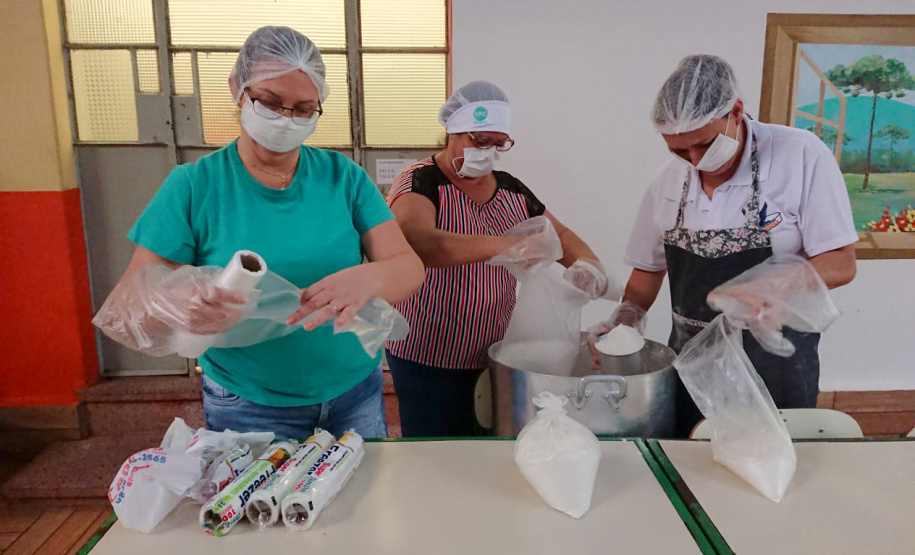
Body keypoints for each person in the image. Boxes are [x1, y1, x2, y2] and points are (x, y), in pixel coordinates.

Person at [107, 26, 424, 440]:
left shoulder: (344, 178)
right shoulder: (195, 185)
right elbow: (133, 297)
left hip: (354, 392)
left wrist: (371, 277)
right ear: (238, 90)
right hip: (251, 404)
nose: (285, 120)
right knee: (260, 487)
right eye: (270, 103)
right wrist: (182, 303)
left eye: (304, 109)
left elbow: (409, 268)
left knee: (362, 484)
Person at [601, 55, 857, 437]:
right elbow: (647, 273)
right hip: (693, 368)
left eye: (705, 145)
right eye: (679, 151)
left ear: (736, 111)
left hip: (776, 368)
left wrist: (773, 285)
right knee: (691, 459)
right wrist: (622, 323)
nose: (695, 161)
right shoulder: (667, 181)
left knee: (771, 462)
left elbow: (841, 262)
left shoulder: (801, 156)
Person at [385, 81, 611, 437]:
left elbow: (562, 236)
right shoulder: (420, 181)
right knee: (434, 448)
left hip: (496, 354)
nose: (488, 152)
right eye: (480, 141)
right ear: (453, 131)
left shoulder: (511, 190)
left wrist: (587, 265)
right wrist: (505, 247)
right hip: (428, 354)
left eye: (498, 144)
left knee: (490, 445)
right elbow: (419, 242)